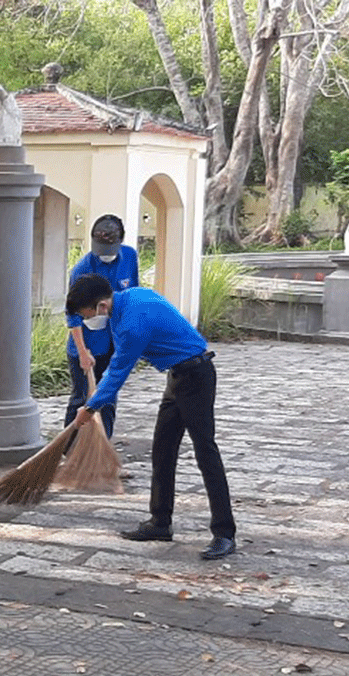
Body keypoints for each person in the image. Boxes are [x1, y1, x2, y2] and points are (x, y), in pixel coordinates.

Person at [71, 277, 236, 561]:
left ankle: (224, 533)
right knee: (162, 450)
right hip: (179, 375)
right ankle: (160, 523)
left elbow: (119, 371)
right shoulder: (133, 298)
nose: (88, 321)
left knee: (205, 452)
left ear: (101, 305)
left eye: (87, 316)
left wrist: (91, 407)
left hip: (196, 377)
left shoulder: (133, 323)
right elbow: (118, 358)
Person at [64, 214, 140, 438]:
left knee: (107, 398)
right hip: (86, 344)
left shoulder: (129, 258)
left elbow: (131, 297)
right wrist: (82, 352)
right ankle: (68, 451)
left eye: (110, 248)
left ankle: (103, 453)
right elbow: (72, 314)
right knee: (81, 399)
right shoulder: (81, 270)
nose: (105, 254)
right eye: (101, 249)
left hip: (112, 343)